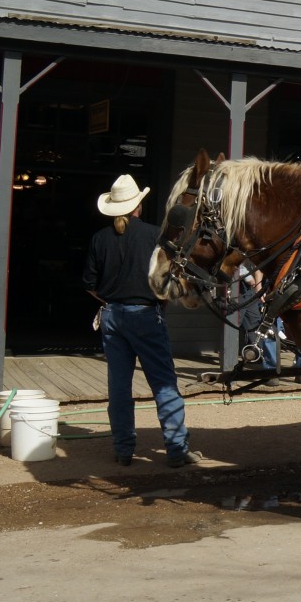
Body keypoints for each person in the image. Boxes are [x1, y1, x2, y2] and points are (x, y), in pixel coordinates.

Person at [83, 175, 201, 468]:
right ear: (138, 206)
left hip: (112, 315)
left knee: (119, 387)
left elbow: (90, 284)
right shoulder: (154, 236)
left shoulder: (99, 238)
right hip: (146, 314)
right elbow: (167, 277)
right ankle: (176, 449)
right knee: (163, 383)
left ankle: (124, 450)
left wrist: (110, 302)